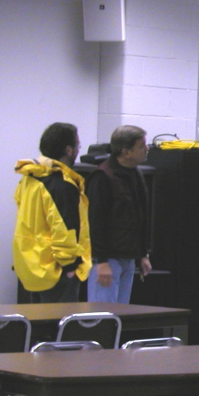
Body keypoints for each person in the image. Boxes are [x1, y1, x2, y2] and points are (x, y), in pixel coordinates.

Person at [13, 121, 92, 302]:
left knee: (39, 326)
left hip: (31, 266)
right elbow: (64, 228)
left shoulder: (29, 179)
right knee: (61, 327)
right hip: (56, 270)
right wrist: (70, 266)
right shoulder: (63, 184)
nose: (78, 150)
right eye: (77, 145)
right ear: (68, 150)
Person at [85, 125, 152, 304]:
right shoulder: (102, 176)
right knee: (103, 318)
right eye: (141, 146)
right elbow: (95, 221)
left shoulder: (135, 173)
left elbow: (140, 216)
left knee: (121, 318)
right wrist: (102, 261)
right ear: (126, 152)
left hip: (129, 258)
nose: (147, 149)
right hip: (108, 260)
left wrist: (142, 254)